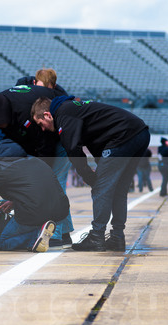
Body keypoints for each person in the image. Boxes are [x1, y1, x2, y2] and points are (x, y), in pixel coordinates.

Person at [32, 96, 150, 252]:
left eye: (41, 124)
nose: (42, 128)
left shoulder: (63, 114)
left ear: (47, 115)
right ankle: (117, 237)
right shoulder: (73, 108)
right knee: (119, 190)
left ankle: (97, 237)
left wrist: (88, 176)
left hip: (123, 136)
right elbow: (98, 139)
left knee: (101, 188)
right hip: (139, 132)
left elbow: (73, 149)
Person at [0, 140, 69, 252]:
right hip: (60, 210)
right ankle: (42, 229)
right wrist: (15, 202)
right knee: (37, 216)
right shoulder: (35, 160)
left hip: (35, 212)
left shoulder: (0, 167)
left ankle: (36, 235)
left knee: (5, 242)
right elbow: (34, 187)